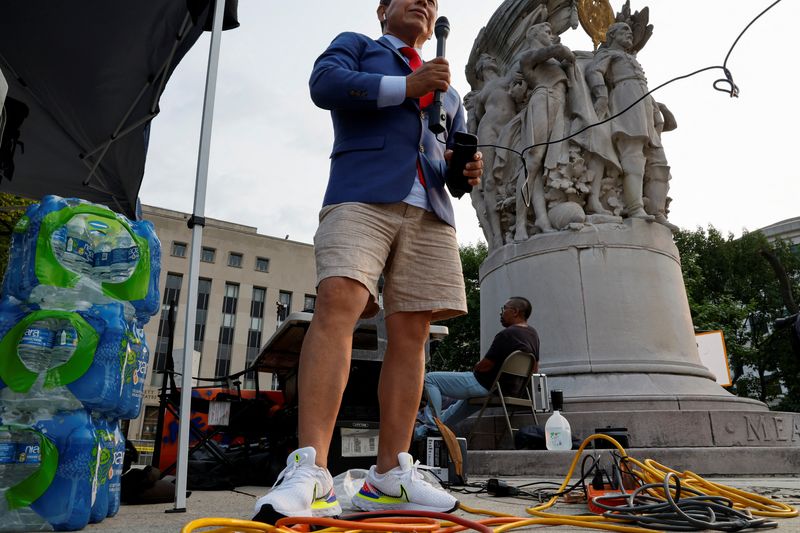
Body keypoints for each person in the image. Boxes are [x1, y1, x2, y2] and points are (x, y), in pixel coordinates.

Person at [253, 0, 483, 523]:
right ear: (383, 10)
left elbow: (447, 158)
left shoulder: (449, 92)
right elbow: (325, 85)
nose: (424, 2)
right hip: (360, 194)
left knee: (413, 331)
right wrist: (408, 86)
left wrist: (464, 168)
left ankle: (389, 478)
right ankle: (311, 471)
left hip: (431, 210)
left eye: (432, 1)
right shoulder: (357, 46)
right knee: (339, 300)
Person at [415, 297, 540, 440]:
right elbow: (534, 369)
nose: (501, 313)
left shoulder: (507, 334)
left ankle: (432, 425)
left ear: (515, 312)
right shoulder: (533, 335)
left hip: (486, 385)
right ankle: (421, 434)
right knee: (454, 410)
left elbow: (485, 365)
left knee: (431, 379)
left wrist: (477, 366)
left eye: (504, 309)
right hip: (509, 390)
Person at [585, 22, 659, 222]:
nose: (630, 33)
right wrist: (601, 95)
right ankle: (635, 208)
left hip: (641, 99)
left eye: (630, 30)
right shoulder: (608, 53)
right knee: (632, 151)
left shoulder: (629, 57)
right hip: (625, 95)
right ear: (611, 35)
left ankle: (656, 210)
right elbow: (594, 71)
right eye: (624, 30)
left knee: (649, 156)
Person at [511, 22, 575, 240]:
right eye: (547, 32)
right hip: (543, 100)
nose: (551, 35)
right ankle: (520, 224)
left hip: (559, 105)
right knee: (532, 161)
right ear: (533, 34)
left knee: (541, 164)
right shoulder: (529, 55)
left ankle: (542, 218)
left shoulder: (551, 59)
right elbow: (557, 50)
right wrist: (561, 50)